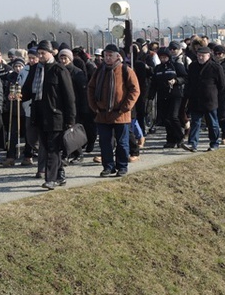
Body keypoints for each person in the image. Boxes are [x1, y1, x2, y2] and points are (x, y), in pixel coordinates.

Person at [22, 40, 76, 189]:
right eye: (38, 53)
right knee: (46, 146)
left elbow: (69, 96)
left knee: (53, 148)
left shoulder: (59, 70)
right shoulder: (35, 70)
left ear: (51, 53)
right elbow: (27, 90)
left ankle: (50, 179)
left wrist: (70, 119)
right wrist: (18, 96)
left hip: (55, 115)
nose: (40, 56)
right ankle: (59, 174)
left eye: (43, 53)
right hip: (39, 113)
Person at [87, 43, 140, 176]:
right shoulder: (99, 71)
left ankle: (122, 166)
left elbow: (135, 90)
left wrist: (125, 108)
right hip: (102, 114)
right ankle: (108, 166)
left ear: (117, 57)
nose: (108, 58)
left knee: (122, 143)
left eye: (110, 55)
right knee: (105, 143)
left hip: (120, 114)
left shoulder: (125, 70)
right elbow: (90, 88)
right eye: (106, 55)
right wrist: (94, 106)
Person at [149, 46, 187, 148]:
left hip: (175, 95)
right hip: (162, 96)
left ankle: (180, 137)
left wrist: (176, 81)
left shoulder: (176, 66)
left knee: (173, 116)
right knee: (166, 118)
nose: (162, 59)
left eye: (164, 57)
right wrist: (150, 96)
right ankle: (170, 139)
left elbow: (185, 77)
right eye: (160, 57)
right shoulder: (158, 68)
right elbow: (154, 83)